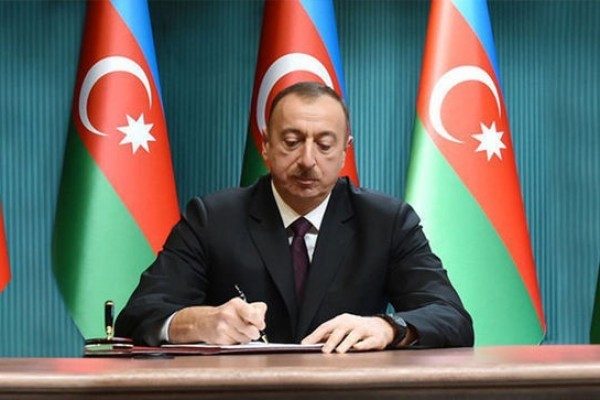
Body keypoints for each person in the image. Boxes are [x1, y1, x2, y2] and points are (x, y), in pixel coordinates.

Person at [115, 81, 474, 353]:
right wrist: (198, 323)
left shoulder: (386, 221)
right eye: (291, 141)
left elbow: (451, 317)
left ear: (345, 151)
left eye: (324, 144)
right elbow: (137, 316)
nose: (307, 160)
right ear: (266, 146)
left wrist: (389, 327)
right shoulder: (212, 218)